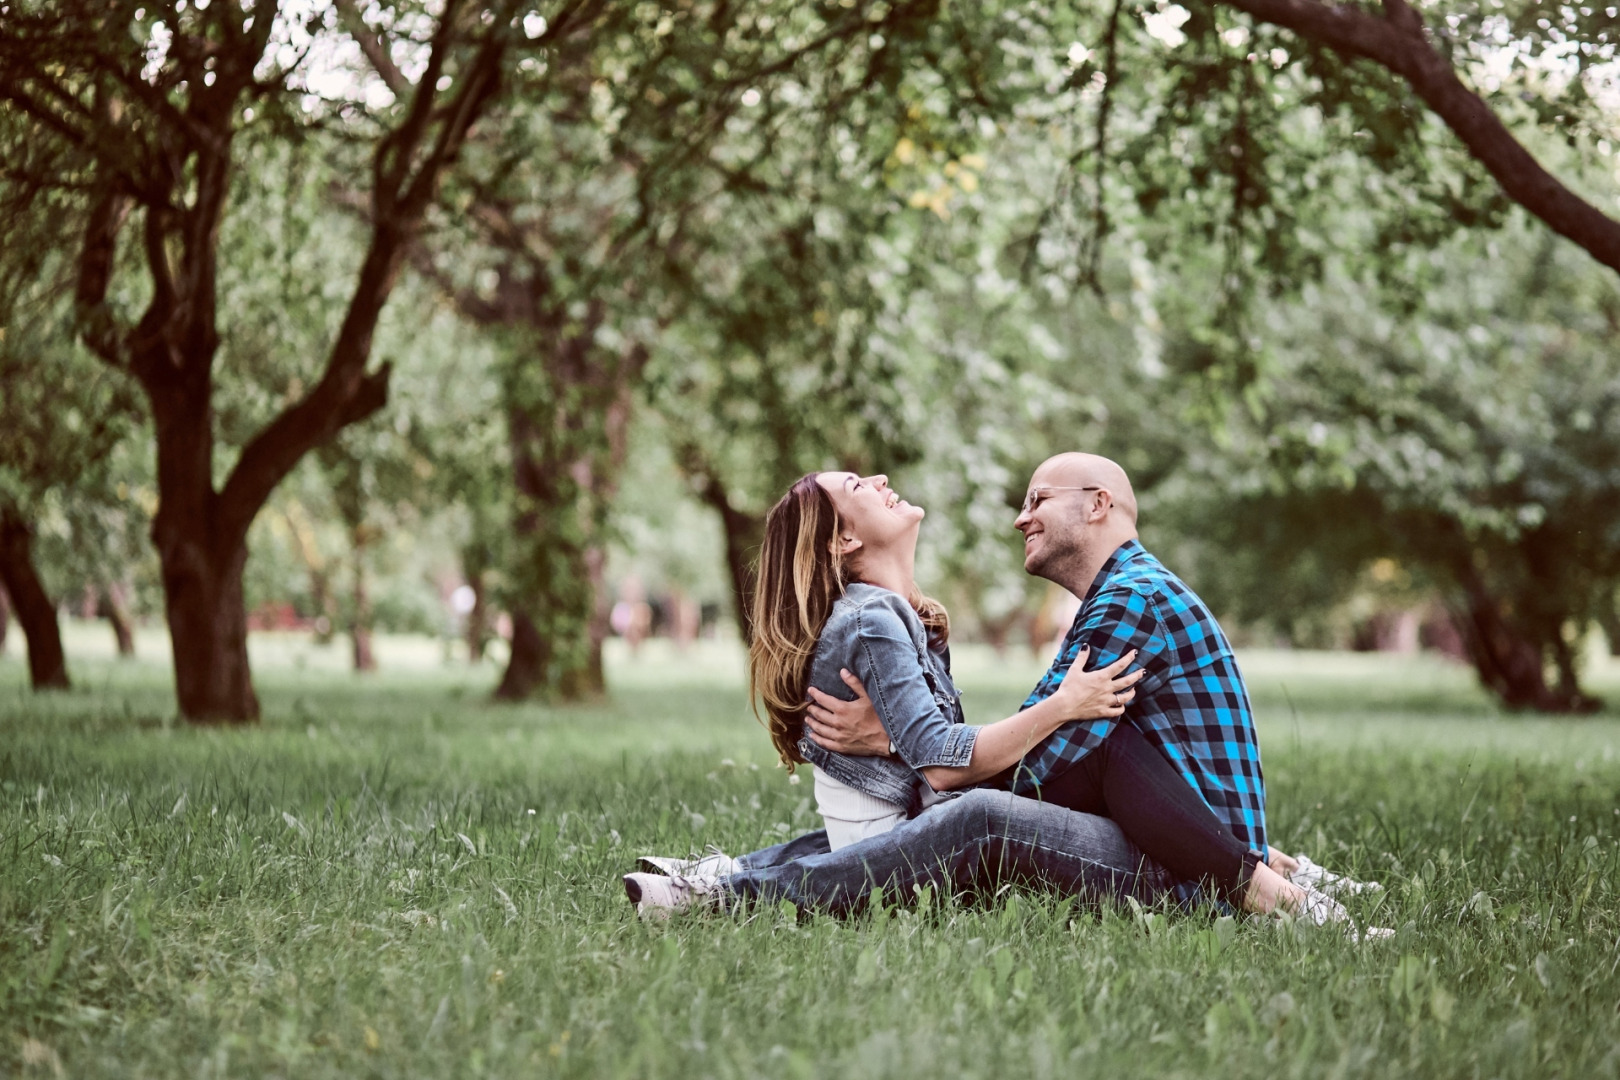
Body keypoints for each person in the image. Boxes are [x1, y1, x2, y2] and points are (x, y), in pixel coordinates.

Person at [626, 457, 1321, 918]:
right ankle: (723, 883)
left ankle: (723, 890)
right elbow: (999, 760)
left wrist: (906, 747)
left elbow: (1017, 775)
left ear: (1100, 505)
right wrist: (925, 751)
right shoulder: (878, 618)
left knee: (982, 813)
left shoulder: (1122, 602)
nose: (1021, 516)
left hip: (1184, 869)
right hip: (1177, 849)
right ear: (840, 540)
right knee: (960, 814)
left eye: (1038, 500)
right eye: (859, 486)